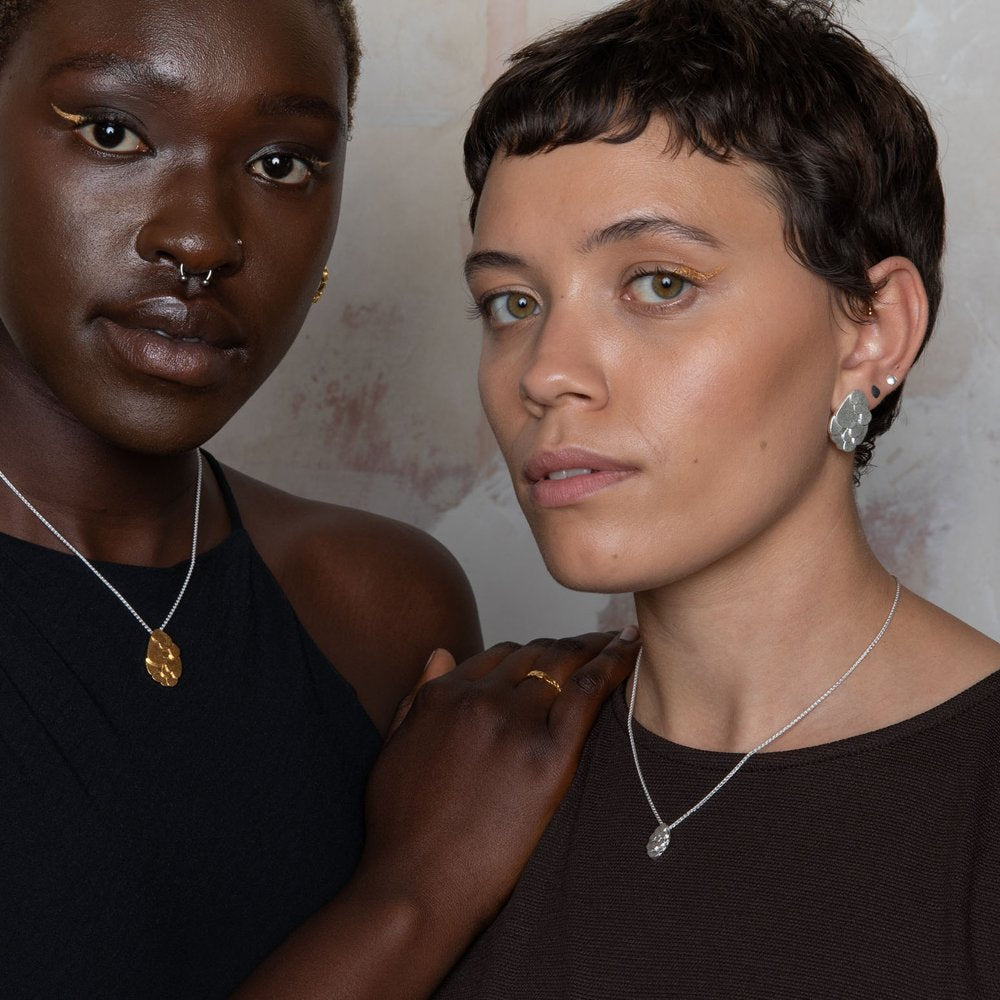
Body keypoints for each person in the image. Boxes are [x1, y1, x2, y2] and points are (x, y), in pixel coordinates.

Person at [0, 1, 642, 997]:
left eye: (281, 164)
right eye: (114, 132)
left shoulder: (377, 606)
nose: (202, 238)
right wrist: (412, 892)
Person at [437, 0, 1000, 996]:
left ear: (870, 333)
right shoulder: (469, 756)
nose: (545, 372)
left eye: (657, 283)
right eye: (511, 303)